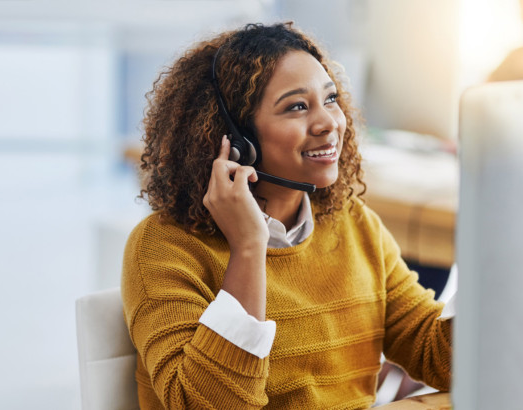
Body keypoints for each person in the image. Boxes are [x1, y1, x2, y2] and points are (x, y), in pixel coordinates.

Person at [121, 22, 451, 409]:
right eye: (297, 106)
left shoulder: (352, 222)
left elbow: (434, 352)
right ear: (235, 139)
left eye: (330, 99)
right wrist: (248, 248)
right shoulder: (163, 247)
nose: (329, 123)